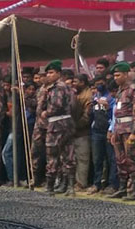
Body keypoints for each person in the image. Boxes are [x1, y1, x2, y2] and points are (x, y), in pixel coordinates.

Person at [108, 61, 135, 200]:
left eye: (118, 75)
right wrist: (113, 130)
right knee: (120, 160)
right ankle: (122, 187)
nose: (115, 78)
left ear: (126, 74)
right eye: (114, 75)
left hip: (129, 129)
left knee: (132, 159)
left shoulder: (134, 89)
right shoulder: (119, 91)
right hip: (118, 128)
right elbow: (116, 112)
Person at [42, 59, 76, 196]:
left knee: (52, 155)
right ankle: (70, 187)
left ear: (58, 73)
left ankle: (50, 187)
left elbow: (56, 105)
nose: (49, 75)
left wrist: (46, 112)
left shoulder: (57, 87)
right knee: (68, 156)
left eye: (51, 72)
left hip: (56, 124)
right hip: (67, 123)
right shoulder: (67, 87)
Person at [72, 73, 92, 190]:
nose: (74, 84)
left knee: (82, 158)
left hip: (83, 132)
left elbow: (87, 116)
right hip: (74, 132)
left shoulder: (87, 95)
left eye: (76, 82)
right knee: (74, 158)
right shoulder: (76, 94)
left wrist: (75, 126)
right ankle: (74, 182)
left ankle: (81, 183)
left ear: (83, 83)